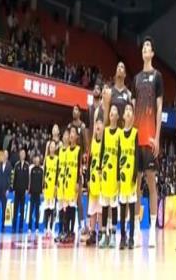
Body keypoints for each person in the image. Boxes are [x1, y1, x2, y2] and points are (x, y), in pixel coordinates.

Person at [132, 37, 163, 248]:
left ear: (152, 54)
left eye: (148, 47)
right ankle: (136, 230)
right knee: (136, 186)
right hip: (137, 139)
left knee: (151, 185)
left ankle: (151, 231)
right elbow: (133, 109)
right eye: (143, 46)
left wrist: (158, 136)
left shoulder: (157, 76)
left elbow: (159, 108)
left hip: (150, 138)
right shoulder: (135, 79)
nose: (145, 48)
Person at [98, 105, 121, 248]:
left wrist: (118, 177)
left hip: (115, 175)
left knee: (114, 206)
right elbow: (101, 151)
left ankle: (113, 234)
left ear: (117, 117)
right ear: (109, 116)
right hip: (105, 173)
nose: (112, 113)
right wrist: (100, 169)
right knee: (104, 205)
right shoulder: (105, 131)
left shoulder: (119, 133)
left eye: (115, 111)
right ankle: (103, 234)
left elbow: (120, 156)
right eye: (111, 111)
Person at [119, 103, 139, 250]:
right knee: (122, 210)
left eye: (130, 110)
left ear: (132, 116)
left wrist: (134, 175)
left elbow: (137, 155)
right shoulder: (120, 134)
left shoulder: (135, 133)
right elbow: (118, 155)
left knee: (131, 210)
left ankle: (131, 237)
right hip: (122, 176)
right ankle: (122, 237)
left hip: (131, 176)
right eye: (126, 109)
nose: (128, 112)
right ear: (123, 115)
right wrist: (117, 177)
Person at [68, 105, 87, 239]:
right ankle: (68, 228)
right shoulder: (70, 126)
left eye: (76, 110)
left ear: (79, 112)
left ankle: (82, 224)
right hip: (69, 165)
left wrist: (83, 164)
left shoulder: (83, 126)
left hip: (78, 165)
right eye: (73, 109)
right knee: (68, 199)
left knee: (78, 198)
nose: (74, 111)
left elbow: (86, 145)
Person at [60, 126, 81, 244]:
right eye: (70, 132)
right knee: (66, 208)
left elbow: (79, 167)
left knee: (72, 207)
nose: (71, 134)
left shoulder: (78, 150)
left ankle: (72, 232)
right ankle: (66, 230)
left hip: (74, 183)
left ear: (76, 136)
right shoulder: (66, 150)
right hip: (66, 182)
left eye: (73, 132)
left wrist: (78, 182)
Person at [86, 114, 104, 246]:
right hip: (93, 181)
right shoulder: (92, 143)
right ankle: (92, 233)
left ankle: (101, 232)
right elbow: (89, 163)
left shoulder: (105, 143)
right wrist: (87, 179)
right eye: (96, 123)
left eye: (100, 123)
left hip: (102, 181)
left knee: (100, 210)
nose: (98, 125)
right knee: (92, 209)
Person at [55, 129, 69, 242]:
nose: (65, 136)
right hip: (60, 182)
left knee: (66, 209)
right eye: (64, 134)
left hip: (68, 183)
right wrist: (56, 183)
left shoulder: (71, 150)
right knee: (60, 208)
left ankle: (66, 231)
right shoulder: (59, 150)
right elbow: (57, 167)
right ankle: (60, 231)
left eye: (67, 135)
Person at [0, 150, 12, 233]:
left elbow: (9, 178)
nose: (5, 155)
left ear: (8, 156)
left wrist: (8, 189)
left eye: (6, 154)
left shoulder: (9, 166)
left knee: (4, 210)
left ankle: (3, 227)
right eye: (4, 154)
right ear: (3, 155)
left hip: (5, 192)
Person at [43, 140, 58, 238]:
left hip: (53, 187)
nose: (52, 148)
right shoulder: (46, 159)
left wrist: (56, 185)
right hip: (47, 186)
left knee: (52, 208)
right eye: (51, 147)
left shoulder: (57, 159)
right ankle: (45, 228)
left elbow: (57, 173)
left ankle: (51, 228)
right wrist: (43, 186)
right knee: (46, 208)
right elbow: (44, 173)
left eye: (53, 147)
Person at [12, 148, 29, 234]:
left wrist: (27, 189)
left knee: (22, 210)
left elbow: (27, 178)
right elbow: (14, 177)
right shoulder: (16, 165)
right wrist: (13, 189)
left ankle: (21, 227)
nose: (22, 155)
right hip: (17, 190)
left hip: (23, 191)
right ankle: (14, 227)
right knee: (15, 210)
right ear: (19, 155)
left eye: (24, 154)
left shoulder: (27, 165)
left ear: (25, 155)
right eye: (21, 153)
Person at [28, 155, 44, 235]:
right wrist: (29, 191)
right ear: (34, 161)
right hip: (32, 193)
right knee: (31, 211)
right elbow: (30, 181)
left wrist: (42, 192)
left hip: (38, 193)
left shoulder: (41, 170)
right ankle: (29, 227)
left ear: (39, 161)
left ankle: (37, 227)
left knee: (37, 212)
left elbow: (42, 182)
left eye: (38, 160)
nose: (37, 161)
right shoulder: (32, 169)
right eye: (36, 160)